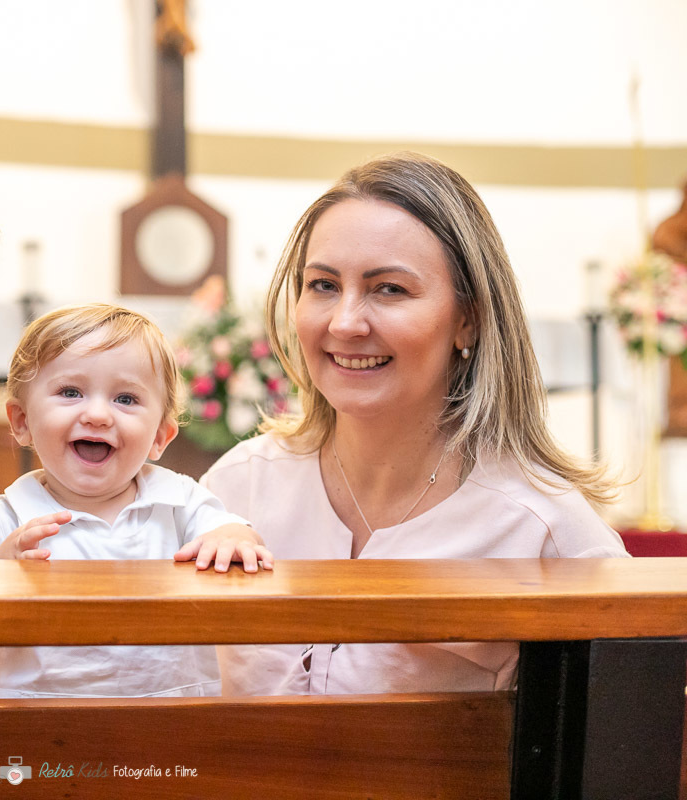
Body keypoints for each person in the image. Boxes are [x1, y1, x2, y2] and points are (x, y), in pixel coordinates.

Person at [201, 152, 629, 697]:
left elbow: (622, 741)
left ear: (467, 318)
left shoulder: (540, 528)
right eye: (323, 285)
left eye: (390, 289)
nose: (345, 322)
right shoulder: (238, 486)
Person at [0, 303, 272, 698]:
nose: (98, 415)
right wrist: (0, 570)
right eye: (70, 392)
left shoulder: (178, 499)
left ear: (160, 435)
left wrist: (233, 537)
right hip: (39, 719)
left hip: (173, 716)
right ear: (21, 421)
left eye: (125, 399)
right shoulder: (11, 515)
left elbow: (231, 529)